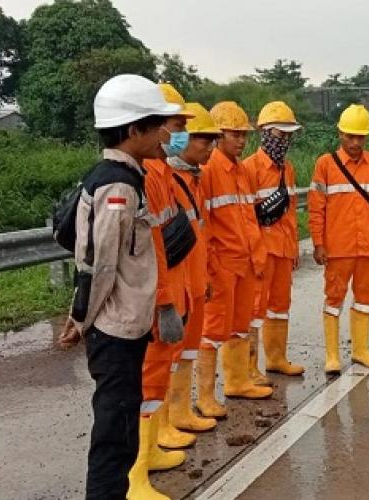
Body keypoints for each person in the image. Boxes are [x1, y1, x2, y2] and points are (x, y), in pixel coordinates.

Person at [56, 74, 180, 500]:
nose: (165, 132)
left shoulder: (127, 176)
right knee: (115, 432)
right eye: (156, 124)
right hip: (115, 330)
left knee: (121, 427)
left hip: (127, 323)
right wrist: (79, 319)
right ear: (133, 131)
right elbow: (99, 266)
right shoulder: (117, 186)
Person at [130, 82, 197, 498]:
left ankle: (150, 451)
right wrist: (164, 302)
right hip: (157, 296)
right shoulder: (149, 175)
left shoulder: (164, 173)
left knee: (158, 376)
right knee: (148, 379)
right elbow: (151, 248)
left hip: (173, 288)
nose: (176, 135)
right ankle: (135, 474)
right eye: (173, 125)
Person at [196, 101, 272, 421]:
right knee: (213, 330)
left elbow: (249, 219)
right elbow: (205, 223)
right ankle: (205, 396)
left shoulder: (239, 169)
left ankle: (238, 381)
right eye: (234, 134)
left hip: (243, 262)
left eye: (243, 135)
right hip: (222, 264)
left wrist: (257, 254)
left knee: (239, 326)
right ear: (218, 135)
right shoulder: (209, 169)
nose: (241, 140)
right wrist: (211, 267)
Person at [308, 104, 369, 375]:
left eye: (361, 137)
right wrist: (318, 243)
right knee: (334, 299)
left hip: (368, 246)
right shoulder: (325, 164)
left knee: (365, 298)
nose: (355, 142)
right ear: (340, 134)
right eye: (350, 136)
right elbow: (316, 207)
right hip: (337, 247)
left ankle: (360, 350)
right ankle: (332, 356)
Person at [164, 102, 220, 434]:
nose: (208, 147)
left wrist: (206, 275)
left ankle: (182, 411)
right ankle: (168, 419)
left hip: (195, 278)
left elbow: (203, 232)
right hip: (176, 282)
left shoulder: (194, 179)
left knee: (188, 349)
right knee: (168, 355)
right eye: (203, 139)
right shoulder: (168, 179)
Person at [243, 101, 305, 380]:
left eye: (289, 134)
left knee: (280, 307)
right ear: (266, 133)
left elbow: (290, 212)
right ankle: (249, 368)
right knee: (255, 309)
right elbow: (245, 218)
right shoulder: (249, 169)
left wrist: (293, 249)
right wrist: (254, 254)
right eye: (281, 134)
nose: (286, 140)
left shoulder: (287, 169)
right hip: (260, 252)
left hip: (282, 250)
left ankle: (277, 358)